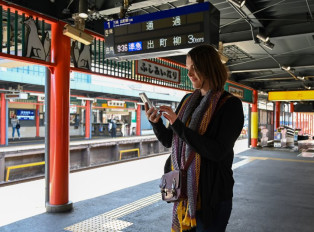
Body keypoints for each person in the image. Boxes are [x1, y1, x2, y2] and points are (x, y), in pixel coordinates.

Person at [145, 44, 244, 232]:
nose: (189, 73)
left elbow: (217, 151)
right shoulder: (187, 101)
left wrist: (178, 125)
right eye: (187, 68)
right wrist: (156, 123)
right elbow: (170, 141)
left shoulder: (230, 105)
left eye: (194, 68)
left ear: (209, 68)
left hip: (212, 195)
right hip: (185, 194)